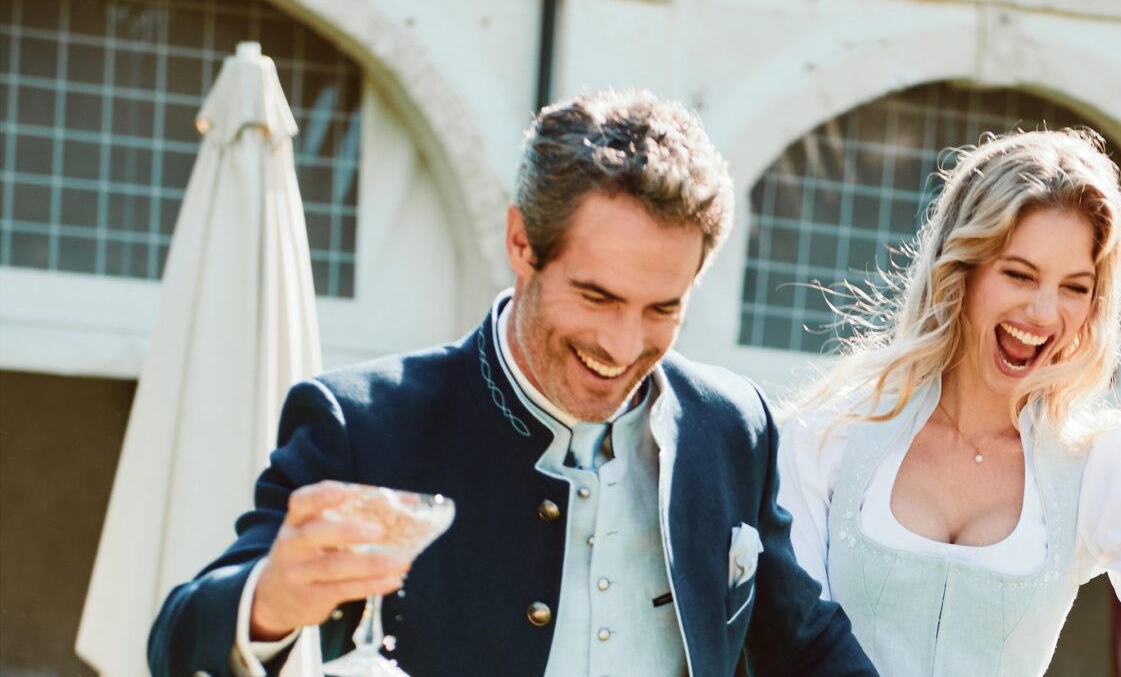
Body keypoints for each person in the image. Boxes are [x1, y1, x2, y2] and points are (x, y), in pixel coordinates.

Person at [149, 90, 878, 677]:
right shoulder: (363, 423)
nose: (624, 345)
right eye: (596, 296)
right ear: (522, 244)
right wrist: (269, 601)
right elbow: (177, 644)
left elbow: (803, 643)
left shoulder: (732, 424)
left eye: (663, 308)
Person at [777, 129, 1121, 676]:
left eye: (1075, 287)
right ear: (961, 270)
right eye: (1019, 274)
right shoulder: (832, 432)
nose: (1045, 313)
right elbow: (787, 644)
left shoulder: (1103, 462)